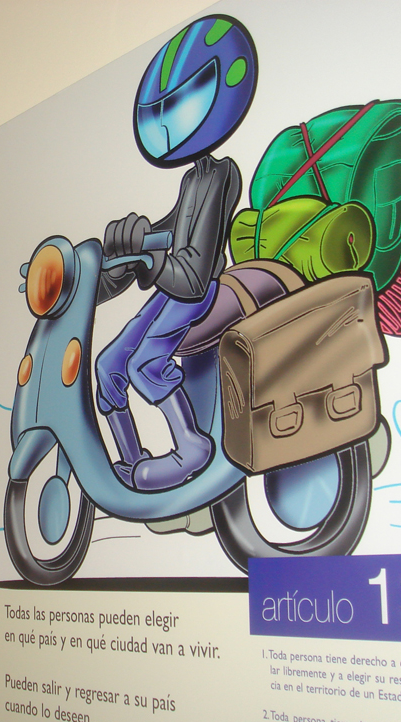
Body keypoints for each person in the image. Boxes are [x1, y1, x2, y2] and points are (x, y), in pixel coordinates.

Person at [95, 14, 257, 491]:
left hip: (196, 291)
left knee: (145, 361)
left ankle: (191, 446)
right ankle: (130, 462)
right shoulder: (192, 178)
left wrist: (149, 260)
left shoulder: (221, 174)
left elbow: (195, 266)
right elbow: (171, 230)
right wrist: (128, 246)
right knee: (108, 364)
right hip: (174, 286)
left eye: (182, 105)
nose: (167, 124)